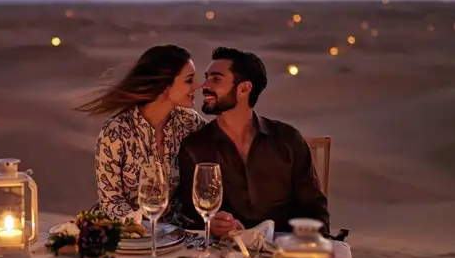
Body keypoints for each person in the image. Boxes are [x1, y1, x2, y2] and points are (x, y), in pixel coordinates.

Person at [172, 46, 330, 236]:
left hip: (284, 251)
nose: (204, 85)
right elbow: (188, 213)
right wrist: (210, 225)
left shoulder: (287, 140)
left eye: (216, 79)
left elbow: (314, 209)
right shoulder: (195, 147)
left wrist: (302, 242)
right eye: (207, 77)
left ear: (244, 88)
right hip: (225, 253)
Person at [76, 44, 206, 221]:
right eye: (189, 80)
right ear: (165, 85)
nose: (197, 86)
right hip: (123, 235)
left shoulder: (189, 122)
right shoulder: (116, 132)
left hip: (172, 235)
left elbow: (219, 148)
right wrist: (142, 228)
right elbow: (111, 201)